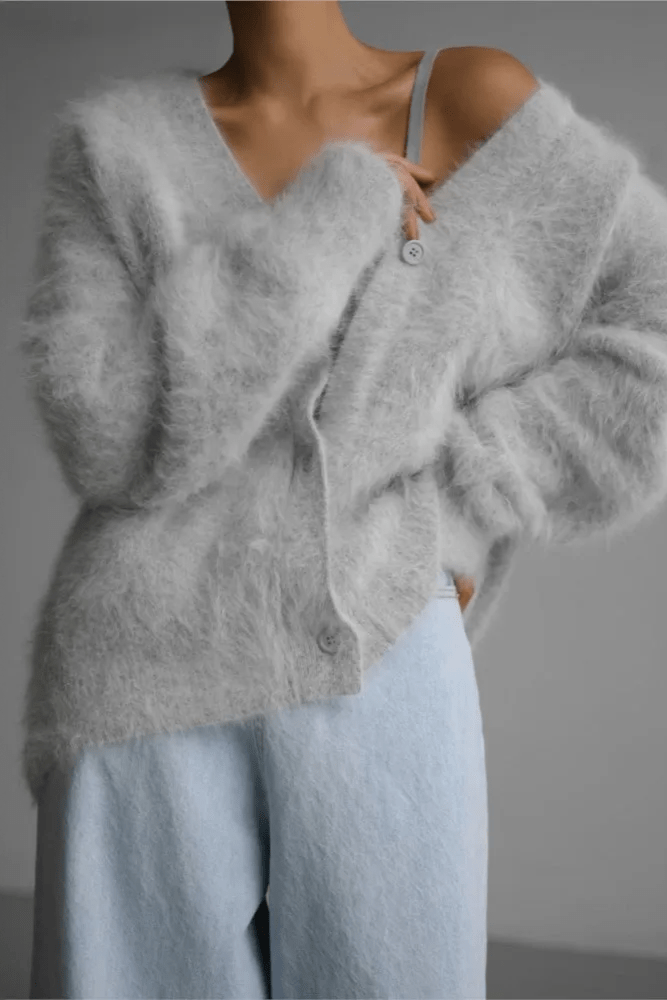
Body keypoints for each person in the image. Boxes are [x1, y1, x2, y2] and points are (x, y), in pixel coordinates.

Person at [22, 2, 667, 999]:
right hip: (140, 680)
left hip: (380, 647)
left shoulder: (466, 100)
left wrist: (466, 493)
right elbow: (106, 436)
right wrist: (327, 219)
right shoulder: (118, 145)